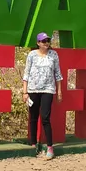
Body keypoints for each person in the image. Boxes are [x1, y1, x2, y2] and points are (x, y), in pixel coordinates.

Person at [22, 31, 63, 159]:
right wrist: (25, 92)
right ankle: (33, 144)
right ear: (38, 43)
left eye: (48, 41)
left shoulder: (53, 55)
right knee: (33, 117)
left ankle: (50, 147)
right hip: (33, 89)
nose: (46, 43)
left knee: (45, 117)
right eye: (44, 41)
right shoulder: (32, 55)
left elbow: (58, 74)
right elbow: (26, 74)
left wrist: (59, 91)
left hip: (48, 89)